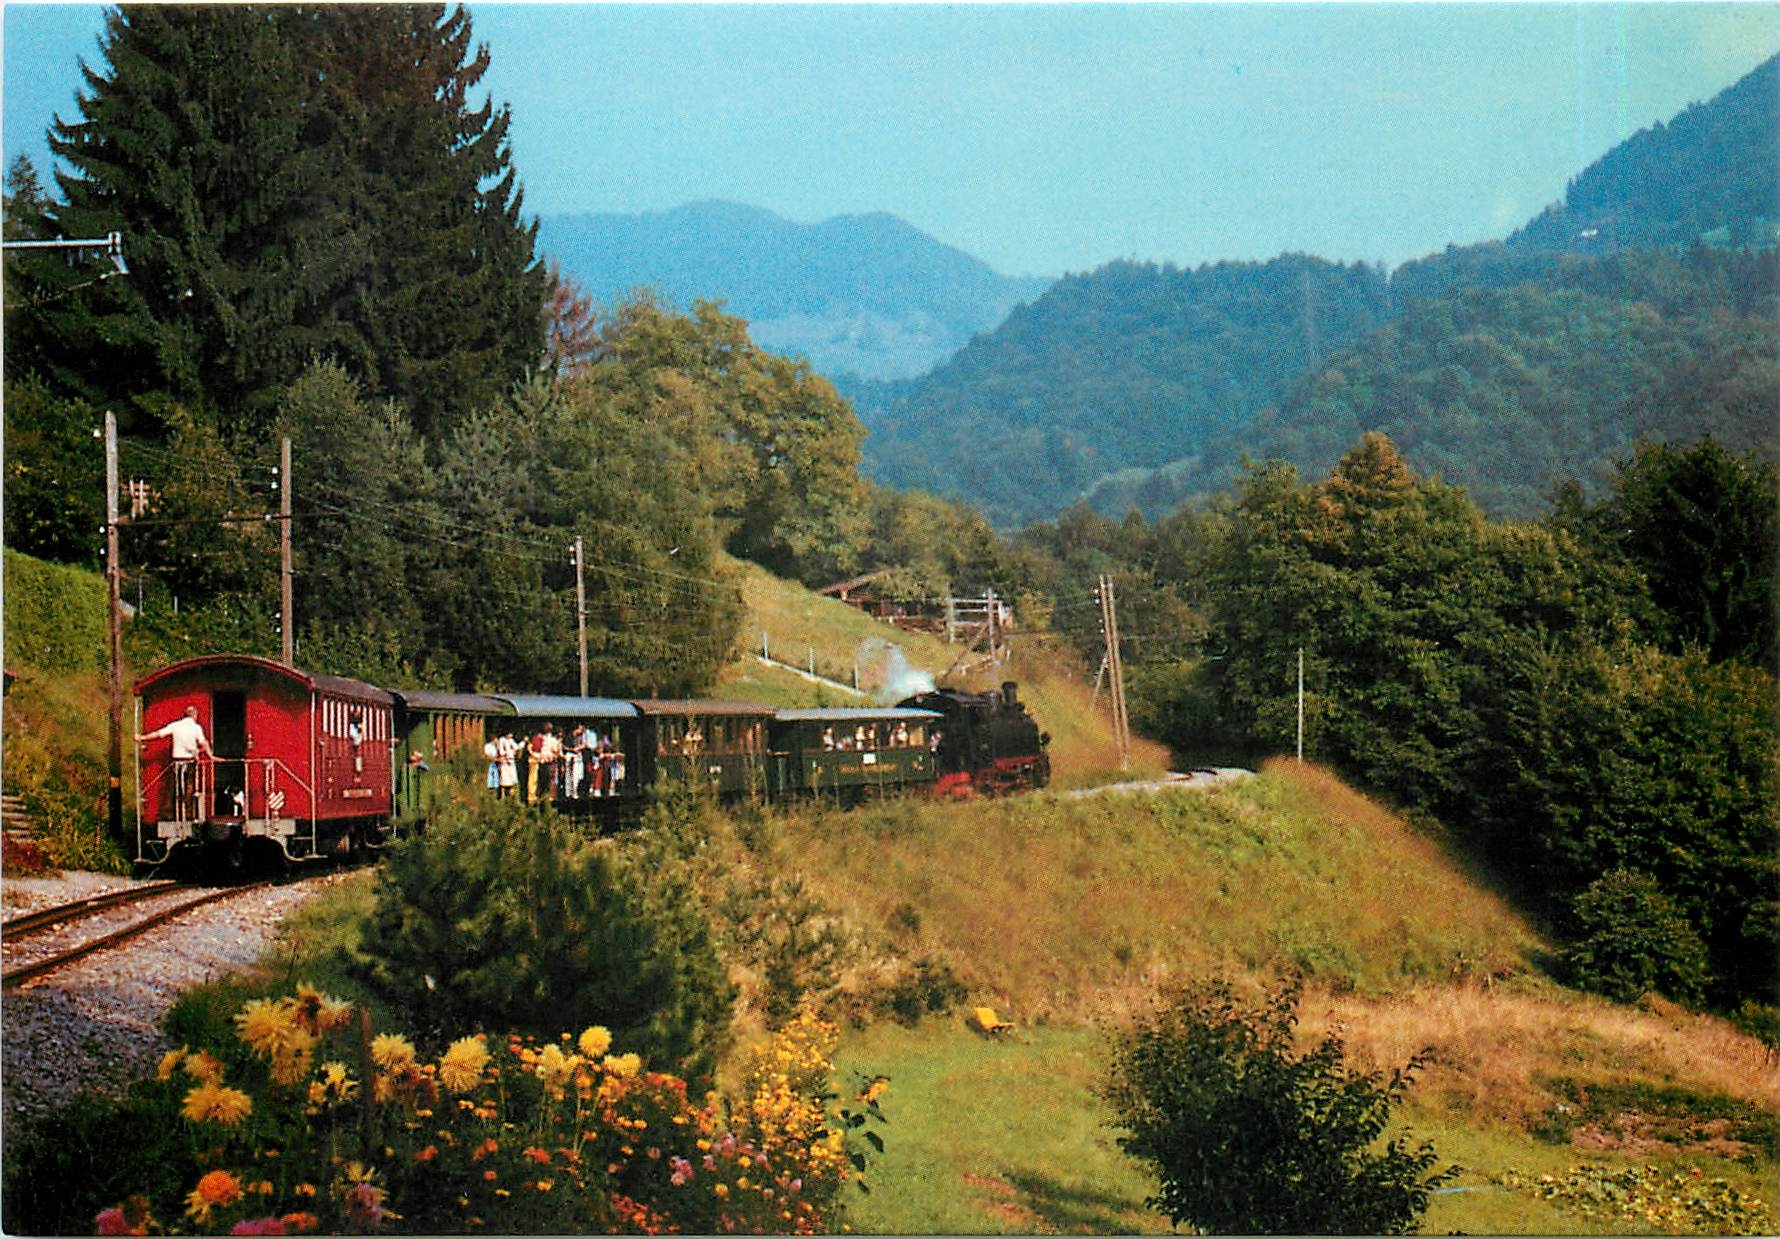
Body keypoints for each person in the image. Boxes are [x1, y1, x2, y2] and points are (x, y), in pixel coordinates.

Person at [137, 705, 211, 820]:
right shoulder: (196, 728)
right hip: (190, 762)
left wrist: (142, 738)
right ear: (194, 716)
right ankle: (188, 813)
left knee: (173, 787)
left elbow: (158, 734)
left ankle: (170, 813)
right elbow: (203, 743)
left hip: (177, 762)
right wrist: (210, 755)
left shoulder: (175, 726)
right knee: (189, 787)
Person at [495, 732, 520, 799]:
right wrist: (506, 755)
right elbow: (501, 751)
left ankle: (511, 796)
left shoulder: (511, 740)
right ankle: (502, 796)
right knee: (504, 779)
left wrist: (515, 752)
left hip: (511, 762)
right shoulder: (502, 740)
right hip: (504, 762)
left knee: (512, 779)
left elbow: (516, 748)